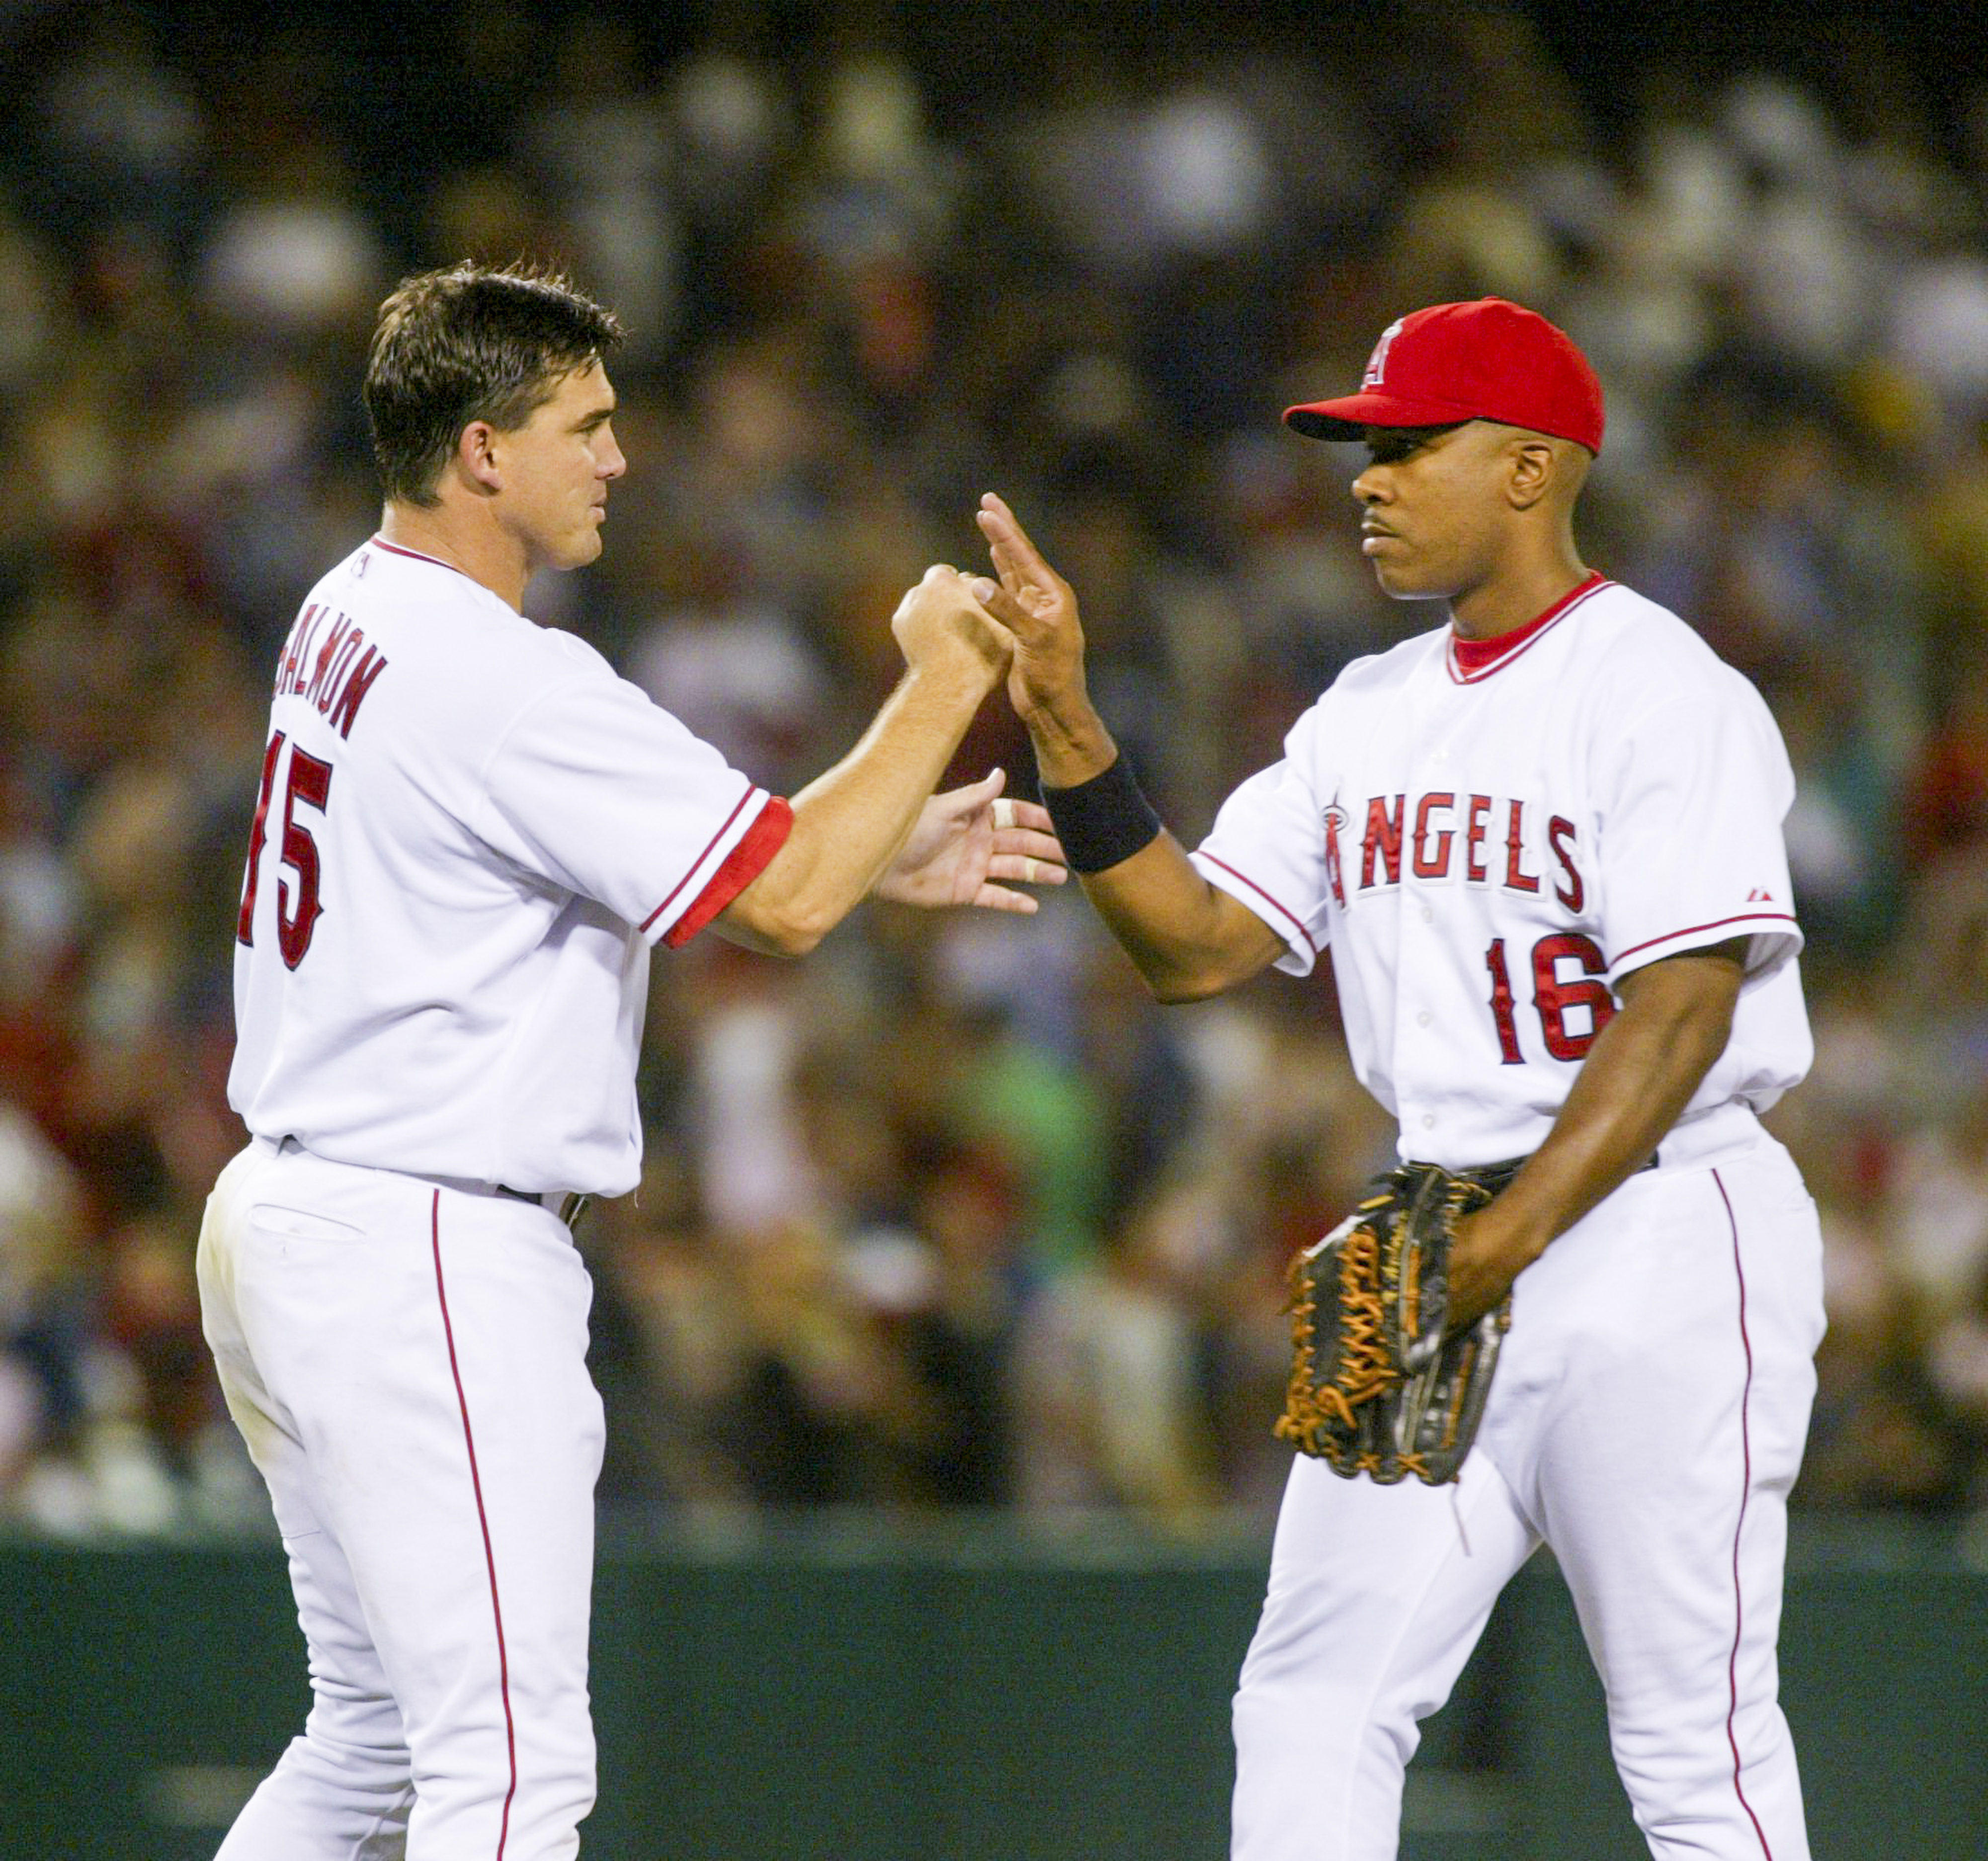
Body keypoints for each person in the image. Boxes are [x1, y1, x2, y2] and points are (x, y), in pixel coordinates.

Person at [197, 261, 1063, 1860]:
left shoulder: (350, 607)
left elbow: (662, 862)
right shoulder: (505, 678)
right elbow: (780, 903)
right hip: (429, 1238)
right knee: (506, 1774)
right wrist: (949, 674)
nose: (617, 457)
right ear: (479, 453)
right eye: (583, 427)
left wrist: (864, 849)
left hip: (300, 1210)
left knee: (373, 1741)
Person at [973, 297, 1824, 1860]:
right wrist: (1071, 723)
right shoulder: (1365, 712)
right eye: (1363, 450)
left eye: (1408, 447)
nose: (1366, 479)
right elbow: (1199, 944)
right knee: (1309, 1700)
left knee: (1688, 1740)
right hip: (1438, 1222)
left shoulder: (1659, 686)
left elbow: (1682, 1011)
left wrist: (1487, 1256)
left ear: (1532, 467)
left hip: (1659, 1227)